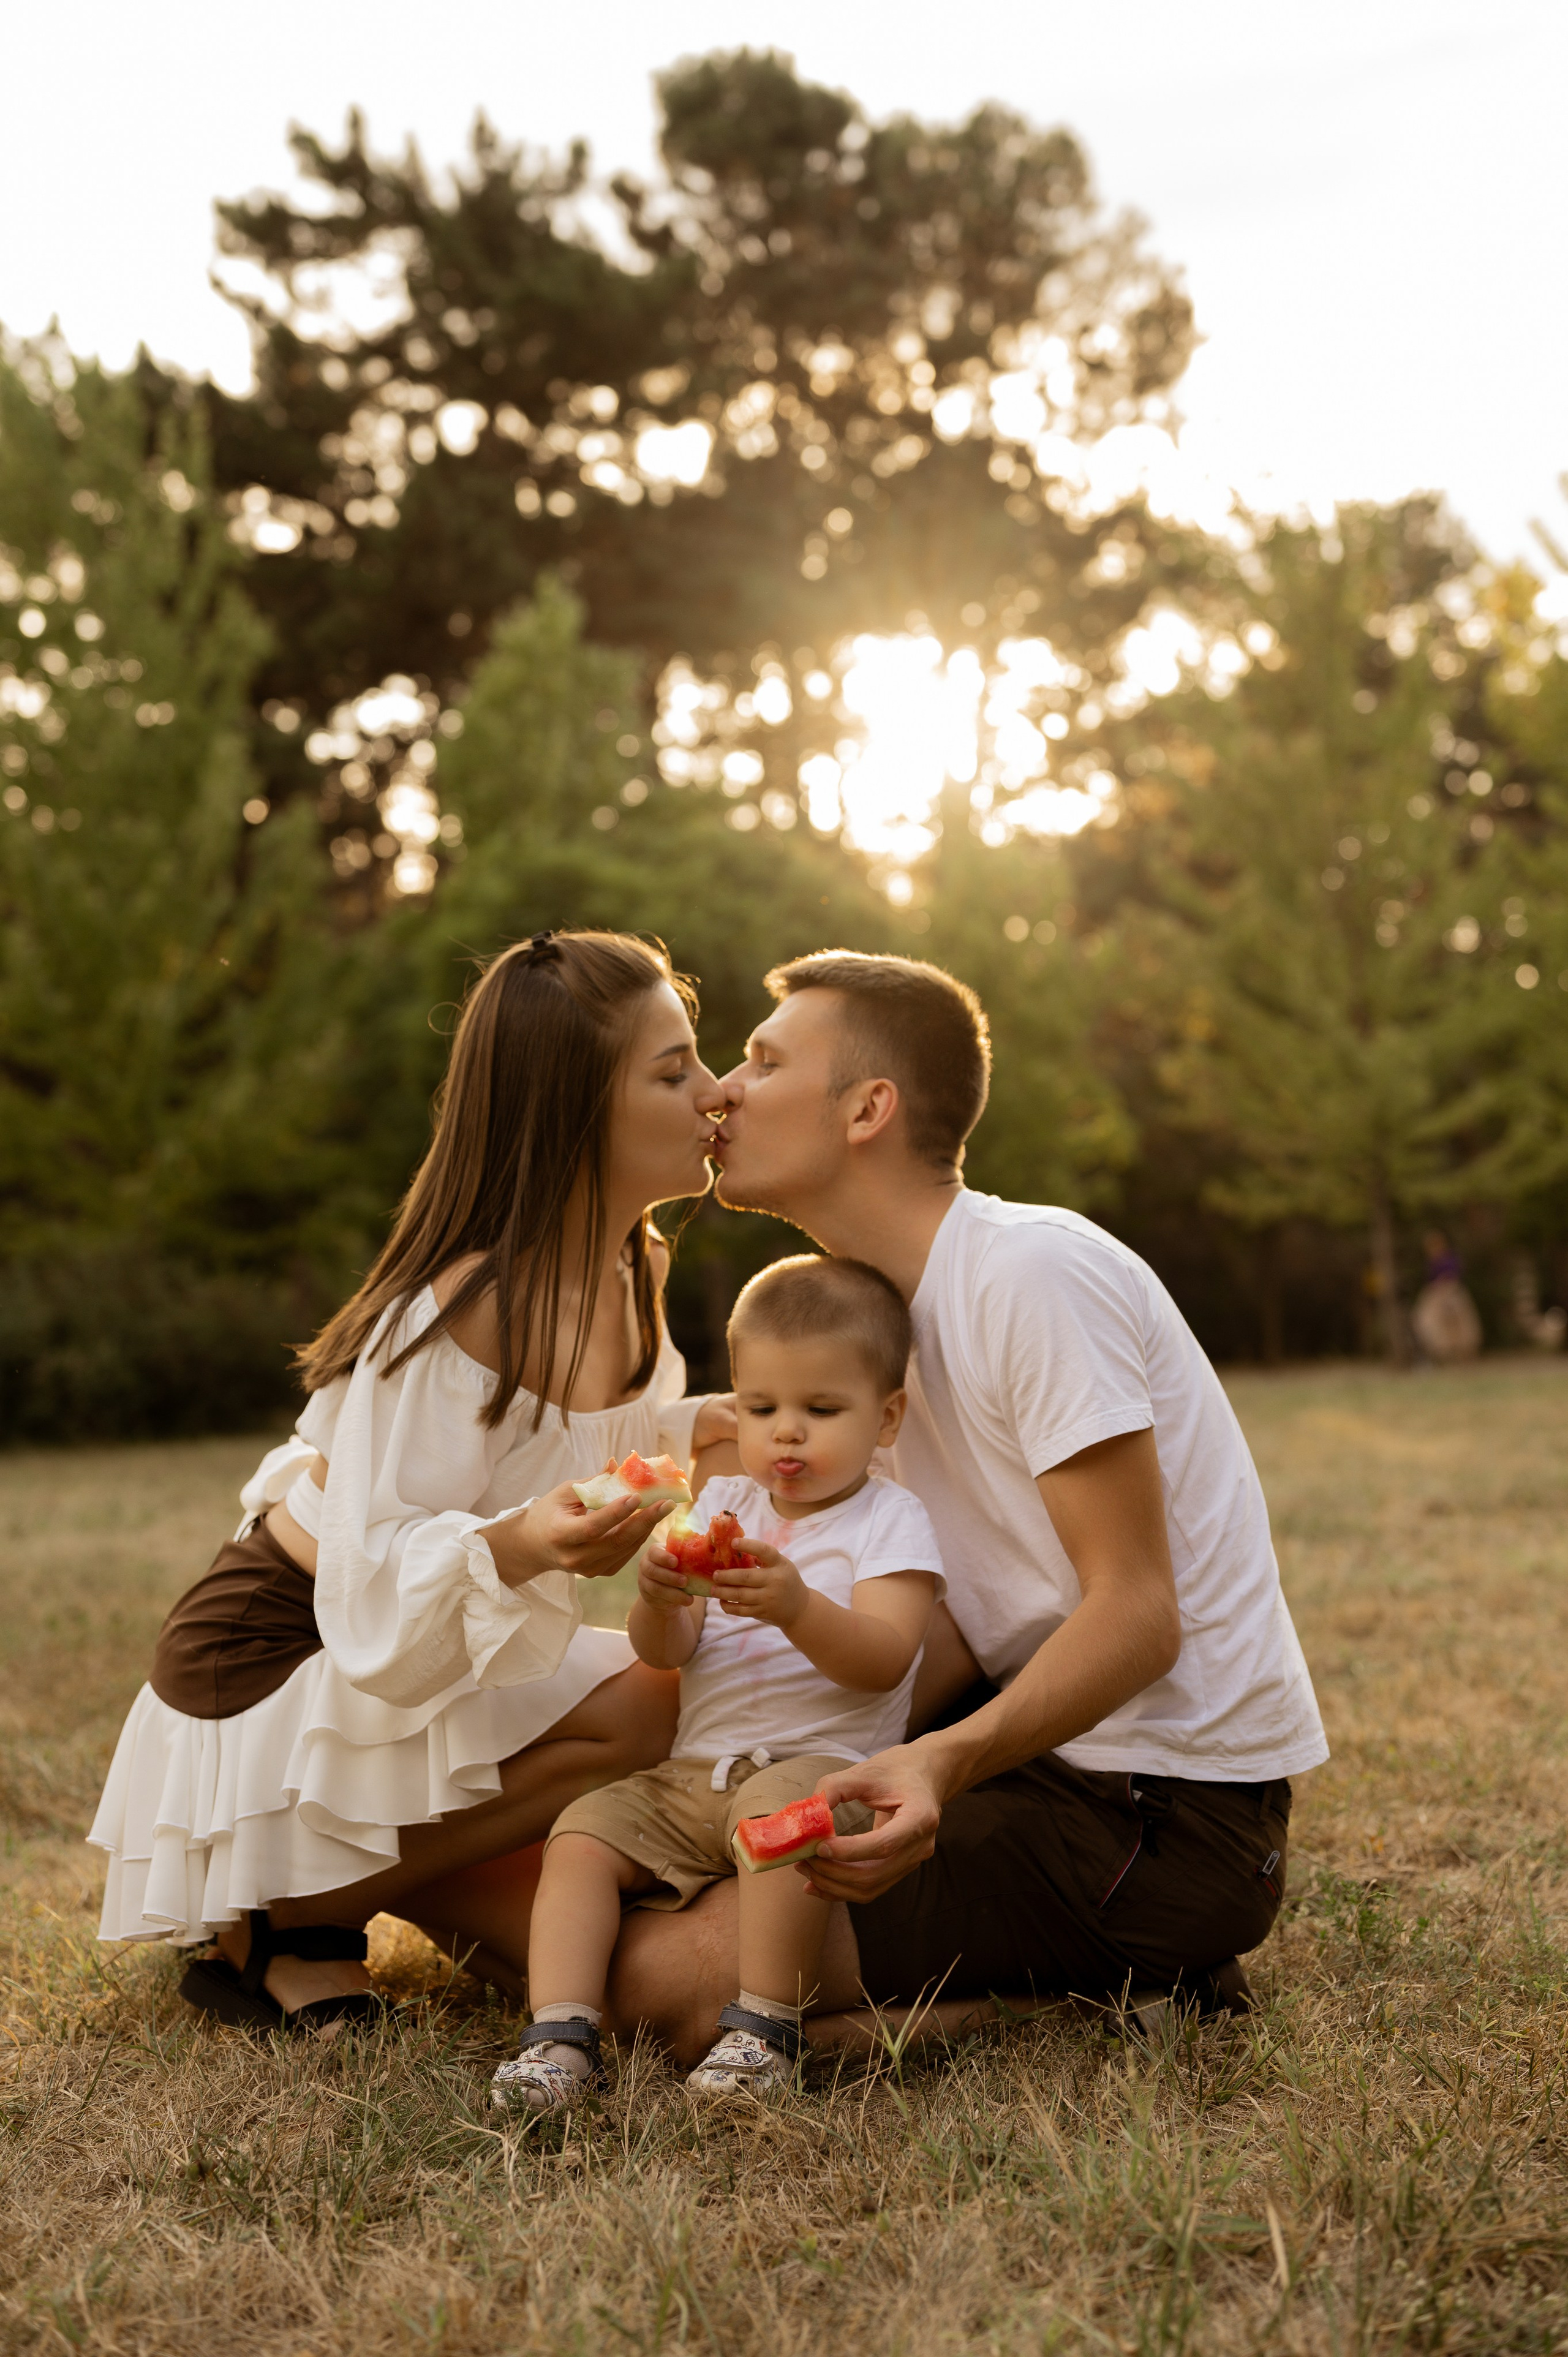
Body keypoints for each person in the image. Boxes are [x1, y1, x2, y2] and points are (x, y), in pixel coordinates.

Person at [605, 949, 1328, 2059]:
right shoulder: (875, 1342)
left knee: (666, 1984)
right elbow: (942, 1628)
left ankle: (1098, 1998)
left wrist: (936, 1764)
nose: (724, 1090)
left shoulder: (1029, 1274)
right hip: (1041, 1762)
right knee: (644, 1896)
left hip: (1159, 1818)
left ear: (868, 1109)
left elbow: (1137, 1614)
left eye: (762, 1058)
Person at [88, 929, 734, 2032]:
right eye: (673, 1073)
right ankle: (279, 1916)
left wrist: (715, 1426)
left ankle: (360, 1898)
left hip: (405, 1652)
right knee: (643, 1705)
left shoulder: (638, 1263)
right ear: (574, 1110)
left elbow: (586, 1438)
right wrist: (527, 1544)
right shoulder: (470, 1305)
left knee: (678, 1691)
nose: (715, 1095)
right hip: (286, 1651)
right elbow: (372, 1566)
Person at [491, 1254, 942, 2110]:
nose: (787, 1433)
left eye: (821, 1409)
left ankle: (763, 2030)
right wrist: (658, 1599)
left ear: (887, 1419)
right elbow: (668, 1651)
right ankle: (560, 2037)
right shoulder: (727, 1497)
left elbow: (885, 1655)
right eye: (762, 1407)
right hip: (693, 1775)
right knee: (582, 1834)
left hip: (821, 1765)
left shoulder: (890, 1521)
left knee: (784, 1825)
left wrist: (798, 1606)